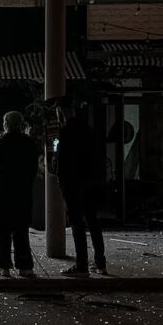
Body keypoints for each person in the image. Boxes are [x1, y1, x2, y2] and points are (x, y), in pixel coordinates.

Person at [0, 111, 40, 278]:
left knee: (3, 231)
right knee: (21, 231)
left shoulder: (0, 144)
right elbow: (33, 169)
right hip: (22, 193)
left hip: (4, 193)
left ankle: (3, 266)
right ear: (21, 124)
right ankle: (25, 266)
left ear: (6, 125)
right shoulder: (28, 144)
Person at [56, 101, 107, 277]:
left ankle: (81, 265)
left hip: (73, 183)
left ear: (62, 114)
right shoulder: (88, 130)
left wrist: (61, 180)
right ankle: (100, 263)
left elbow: (62, 162)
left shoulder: (65, 132)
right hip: (91, 181)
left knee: (77, 223)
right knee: (93, 221)